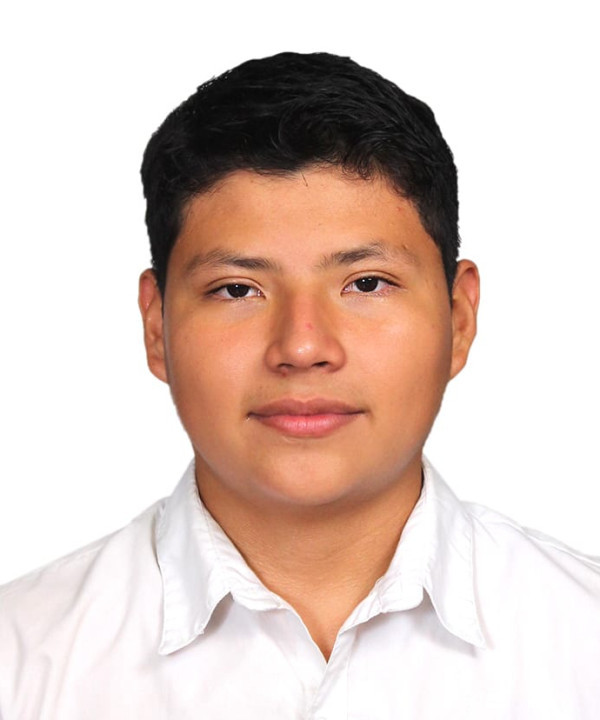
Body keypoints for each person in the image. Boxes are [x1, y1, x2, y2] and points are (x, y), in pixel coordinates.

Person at [0, 51, 598, 719]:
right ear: (157, 326)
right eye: (238, 289)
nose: (303, 347)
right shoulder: (19, 661)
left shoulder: (584, 641)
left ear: (459, 318)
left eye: (366, 283)